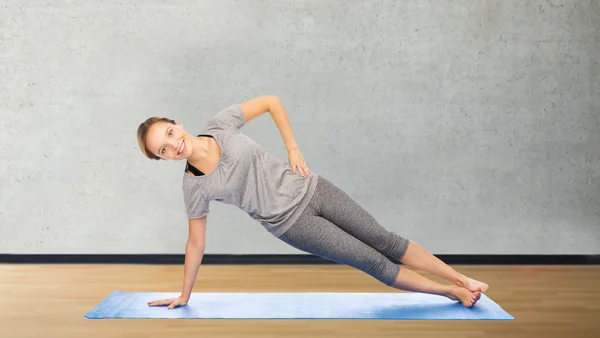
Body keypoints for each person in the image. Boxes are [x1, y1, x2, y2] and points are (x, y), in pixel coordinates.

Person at [136, 95, 488, 310]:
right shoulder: (194, 187)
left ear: (177, 124)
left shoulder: (221, 125)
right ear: (163, 160)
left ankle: (463, 279)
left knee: (385, 240)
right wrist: (184, 295)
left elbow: (271, 101)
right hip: (292, 225)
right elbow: (196, 243)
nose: (172, 145)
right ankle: (450, 293)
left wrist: (292, 147)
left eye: (169, 133)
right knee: (372, 262)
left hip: (314, 188)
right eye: (162, 150)